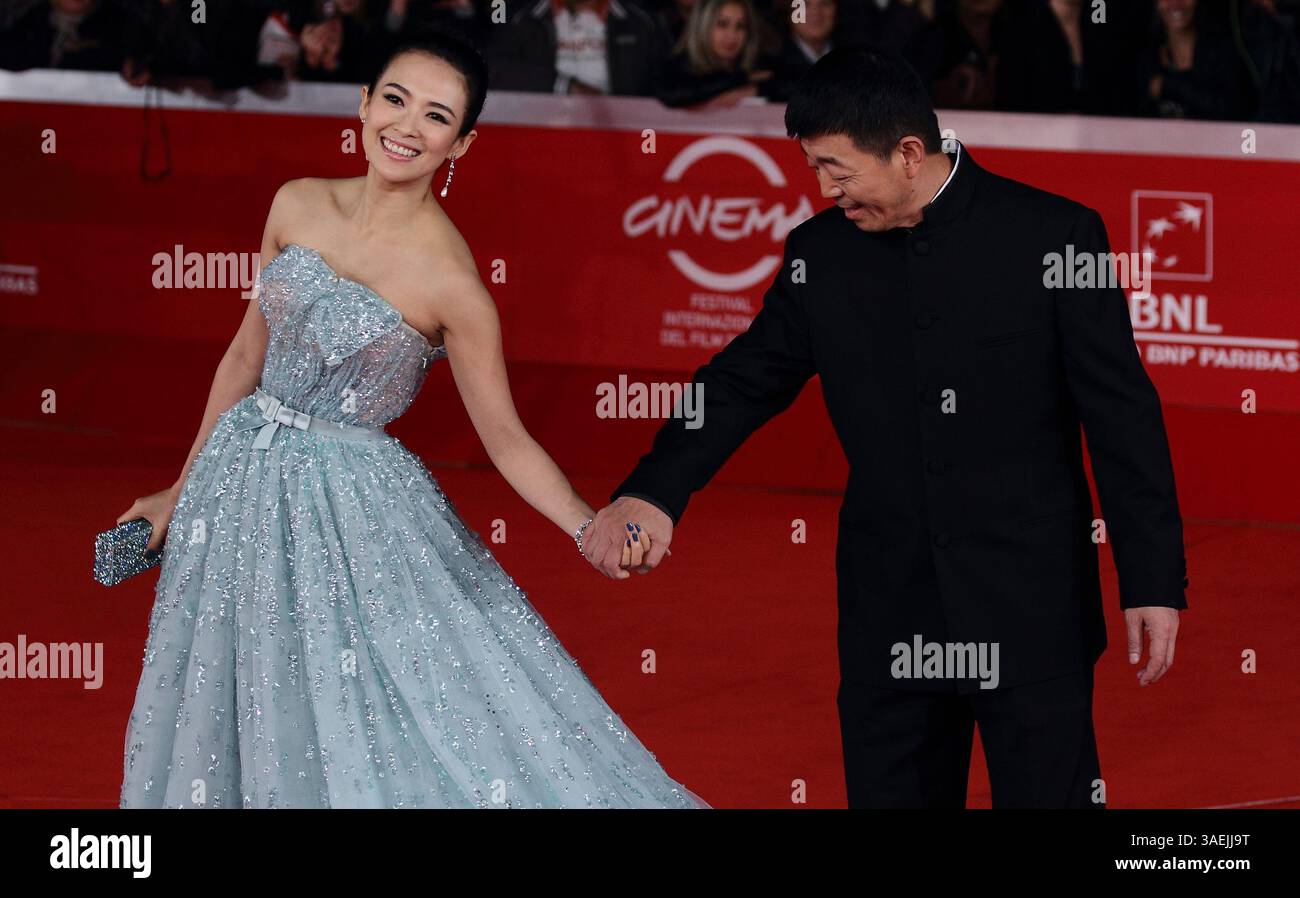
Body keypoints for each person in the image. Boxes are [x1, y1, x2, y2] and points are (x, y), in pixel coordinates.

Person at [115, 30, 708, 809]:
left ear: (462, 142)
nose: (406, 126)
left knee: (370, 702)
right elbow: (241, 360)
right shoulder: (295, 202)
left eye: (437, 116)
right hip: (237, 489)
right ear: (363, 104)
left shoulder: (454, 283)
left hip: (351, 516)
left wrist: (585, 524)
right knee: (239, 689)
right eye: (394, 99)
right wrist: (178, 490)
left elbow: (506, 439)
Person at [585, 46, 1188, 808]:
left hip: (1031, 610)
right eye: (813, 169)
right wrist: (655, 490)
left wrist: (1152, 580)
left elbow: (1123, 417)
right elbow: (741, 382)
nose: (825, 191)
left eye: (837, 169)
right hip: (889, 616)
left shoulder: (1057, 238)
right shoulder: (820, 255)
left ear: (908, 152)